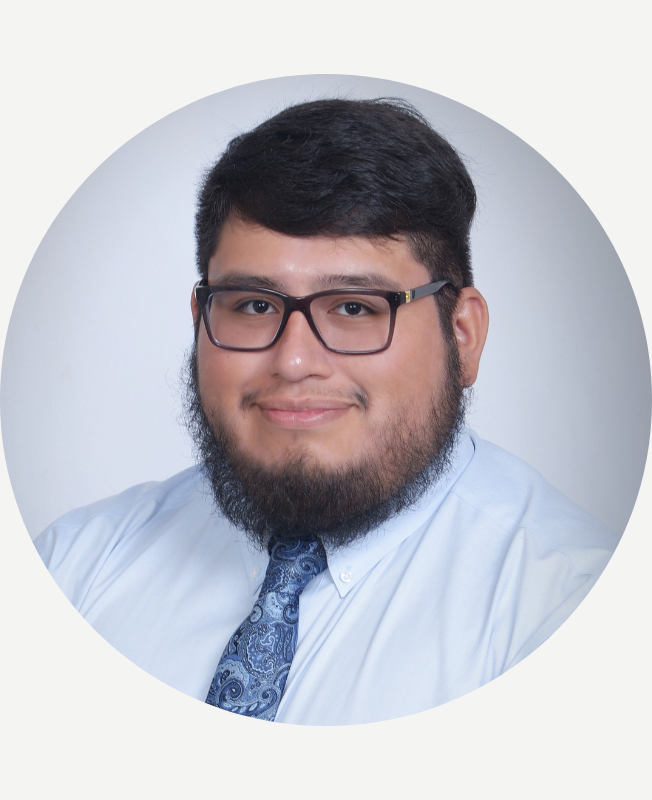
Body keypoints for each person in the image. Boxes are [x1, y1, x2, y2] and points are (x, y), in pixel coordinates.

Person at [35, 98, 618, 725]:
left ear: (463, 335)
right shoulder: (73, 570)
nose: (293, 362)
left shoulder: (574, 616)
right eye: (254, 305)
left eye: (355, 308)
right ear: (200, 320)